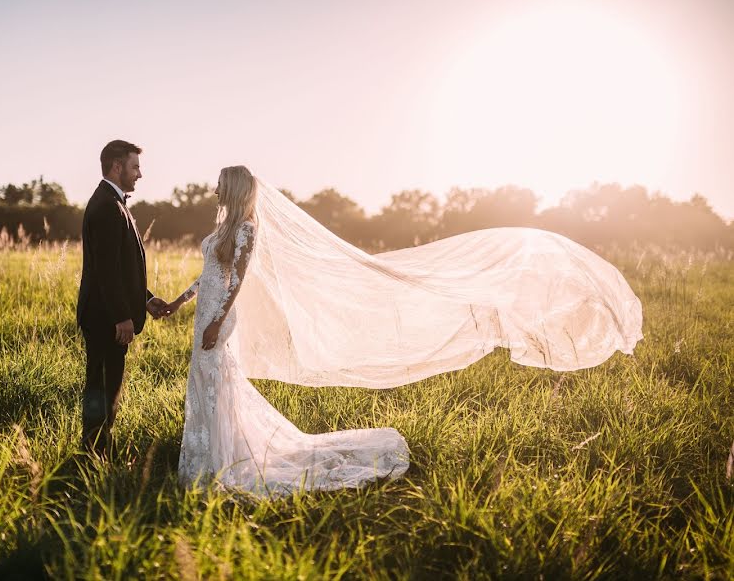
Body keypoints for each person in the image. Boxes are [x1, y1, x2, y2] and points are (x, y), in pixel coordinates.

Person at [163, 166, 643, 496]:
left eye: (220, 184)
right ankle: (206, 456)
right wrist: (178, 304)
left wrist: (219, 322)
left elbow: (239, 280)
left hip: (219, 323)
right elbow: (209, 274)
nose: (214, 191)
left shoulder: (248, 228)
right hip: (207, 315)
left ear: (237, 188)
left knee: (218, 383)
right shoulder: (222, 229)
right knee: (209, 385)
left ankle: (219, 461)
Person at [76, 140, 169, 459]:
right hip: (105, 317)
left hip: (108, 313)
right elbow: (105, 270)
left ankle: (99, 448)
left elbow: (119, 266)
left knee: (107, 385)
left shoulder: (113, 203)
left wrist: (144, 299)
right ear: (117, 166)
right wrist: (121, 316)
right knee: (102, 387)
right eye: (135, 167)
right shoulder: (106, 206)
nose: (140, 174)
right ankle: (94, 453)